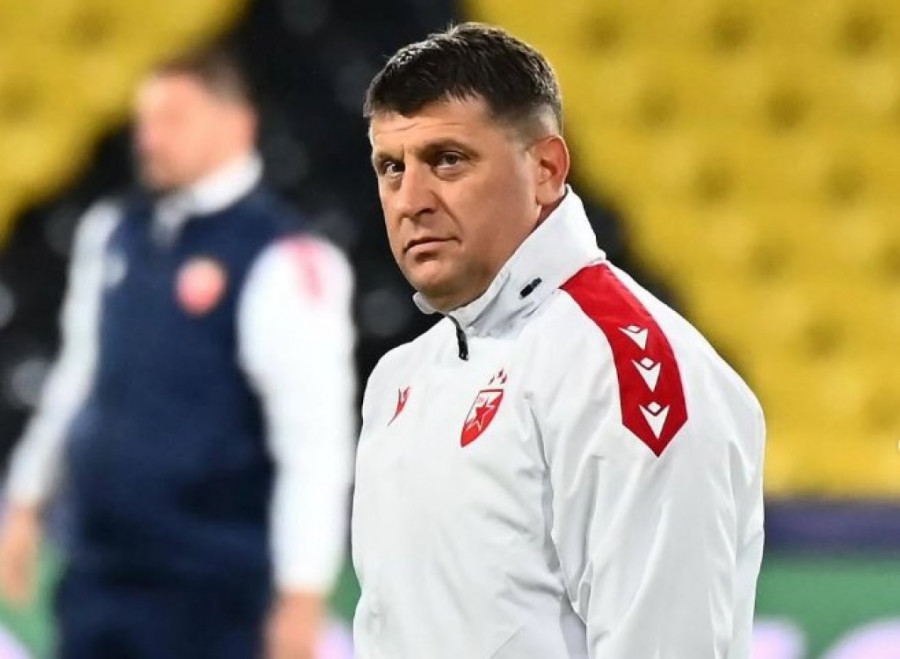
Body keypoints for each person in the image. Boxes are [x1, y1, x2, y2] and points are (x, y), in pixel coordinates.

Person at [351, 22, 765, 659]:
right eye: (391, 168)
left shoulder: (624, 369)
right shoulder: (400, 378)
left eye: (447, 160)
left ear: (545, 169)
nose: (411, 200)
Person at [0, 49, 355, 659]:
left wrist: (302, 594)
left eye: (173, 119)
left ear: (237, 124)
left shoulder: (283, 259)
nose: (151, 139)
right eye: (146, 121)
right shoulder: (112, 231)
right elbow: (76, 381)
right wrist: (29, 500)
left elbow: (314, 442)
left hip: (213, 587)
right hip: (101, 570)